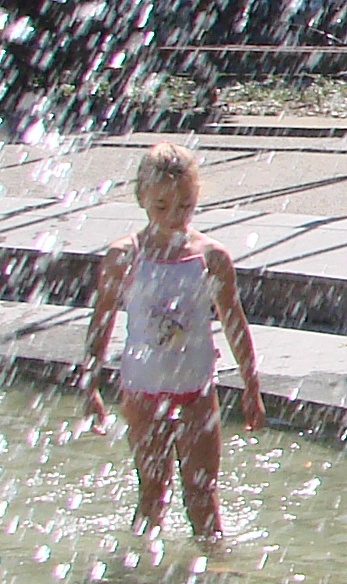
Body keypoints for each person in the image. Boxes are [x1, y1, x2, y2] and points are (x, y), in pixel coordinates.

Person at [82, 142, 265, 544]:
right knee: (153, 488)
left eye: (184, 207)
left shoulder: (210, 257)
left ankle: (214, 571)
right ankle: (137, 571)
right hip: (142, 388)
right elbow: (102, 322)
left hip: (196, 387)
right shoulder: (124, 256)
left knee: (202, 493)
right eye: (161, 206)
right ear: (141, 198)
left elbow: (235, 322)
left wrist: (251, 386)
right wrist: (90, 384)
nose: (173, 217)